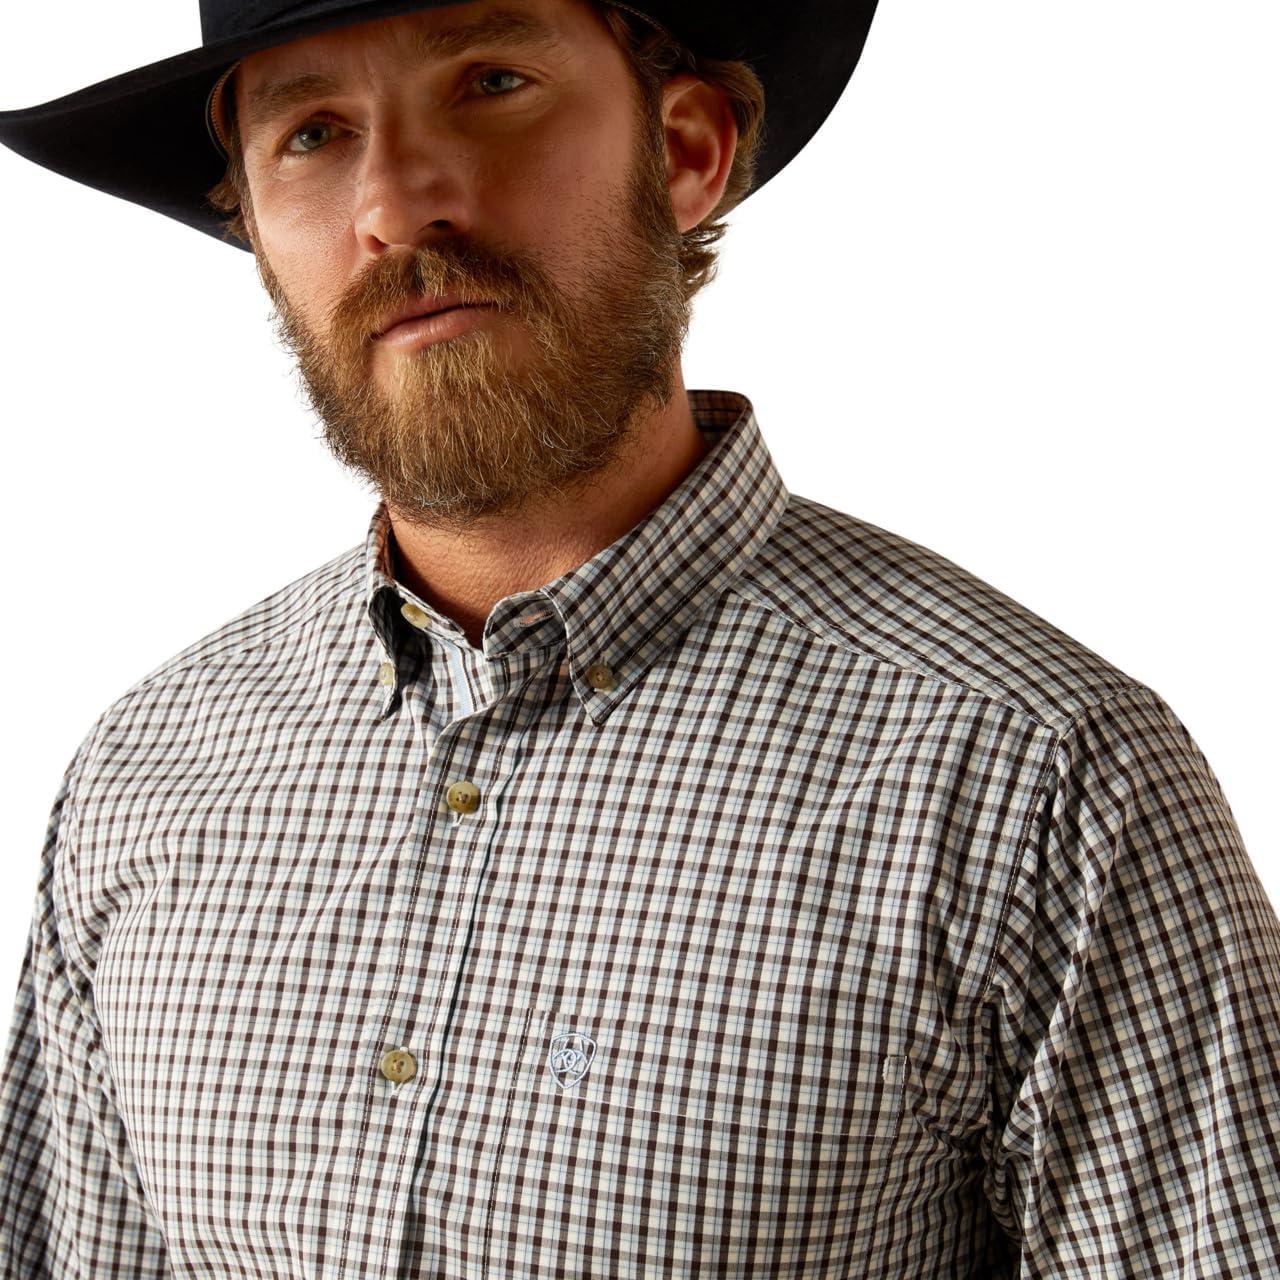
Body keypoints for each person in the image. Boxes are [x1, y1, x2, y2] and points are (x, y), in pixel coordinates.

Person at [1, 0, 1278, 1275]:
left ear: (685, 151)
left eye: (489, 82)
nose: (393, 204)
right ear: (253, 227)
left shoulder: (1036, 779)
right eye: (312, 135)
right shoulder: (145, 774)